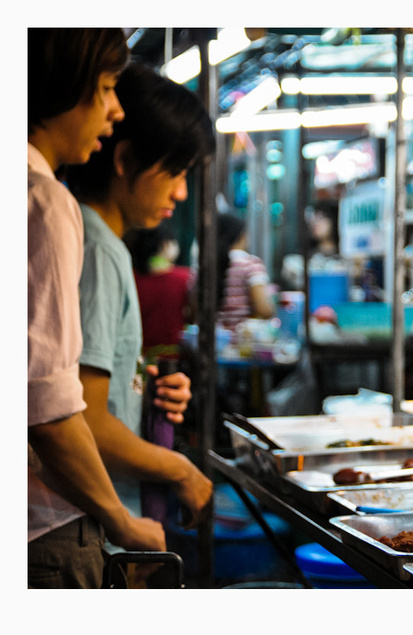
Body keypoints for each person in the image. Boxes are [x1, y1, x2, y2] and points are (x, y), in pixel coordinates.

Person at [28, 28, 165, 589]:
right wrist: (120, 520)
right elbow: (49, 405)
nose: (114, 111)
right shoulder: (42, 199)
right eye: (107, 87)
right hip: (44, 527)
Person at [64, 63, 215, 534]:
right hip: (91, 517)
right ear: (125, 160)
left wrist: (139, 392)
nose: (182, 191)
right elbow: (82, 418)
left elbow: (88, 391)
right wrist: (181, 469)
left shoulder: (96, 241)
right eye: (174, 171)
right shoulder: (98, 249)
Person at [125, 223, 192, 365]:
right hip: (174, 358)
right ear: (165, 245)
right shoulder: (183, 277)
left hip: (137, 358)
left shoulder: (130, 278)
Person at [215, 212, 276, 331]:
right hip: (242, 344)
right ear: (241, 236)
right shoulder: (250, 265)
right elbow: (264, 310)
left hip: (213, 342)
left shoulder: (205, 265)